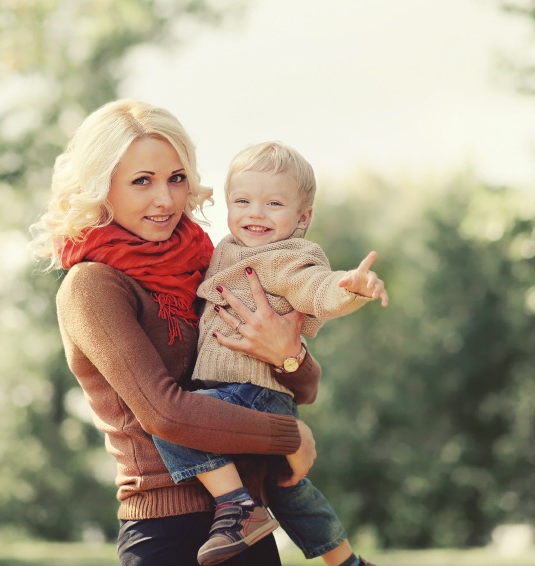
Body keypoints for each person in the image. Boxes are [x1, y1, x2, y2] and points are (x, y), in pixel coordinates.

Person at [28, 99, 323, 566]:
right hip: (165, 531)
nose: (165, 199)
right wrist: (290, 436)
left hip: (246, 524)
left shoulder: (209, 267)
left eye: (176, 178)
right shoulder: (92, 286)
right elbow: (166, 414)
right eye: (141, 181)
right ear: (102, 187)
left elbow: (304, 387)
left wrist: (289, 356)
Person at [152, 141, 386, 566]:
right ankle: (347, 561)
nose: (255, 213)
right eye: (242, 200)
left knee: (173, 423)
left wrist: (350, 288)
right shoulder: (227, 249)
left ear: (302, 218)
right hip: (258, 395)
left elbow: (315, 288)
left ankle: (238, 508)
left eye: (273, 203)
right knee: (287, 485)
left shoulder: (287, 256)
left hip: (251, 392)